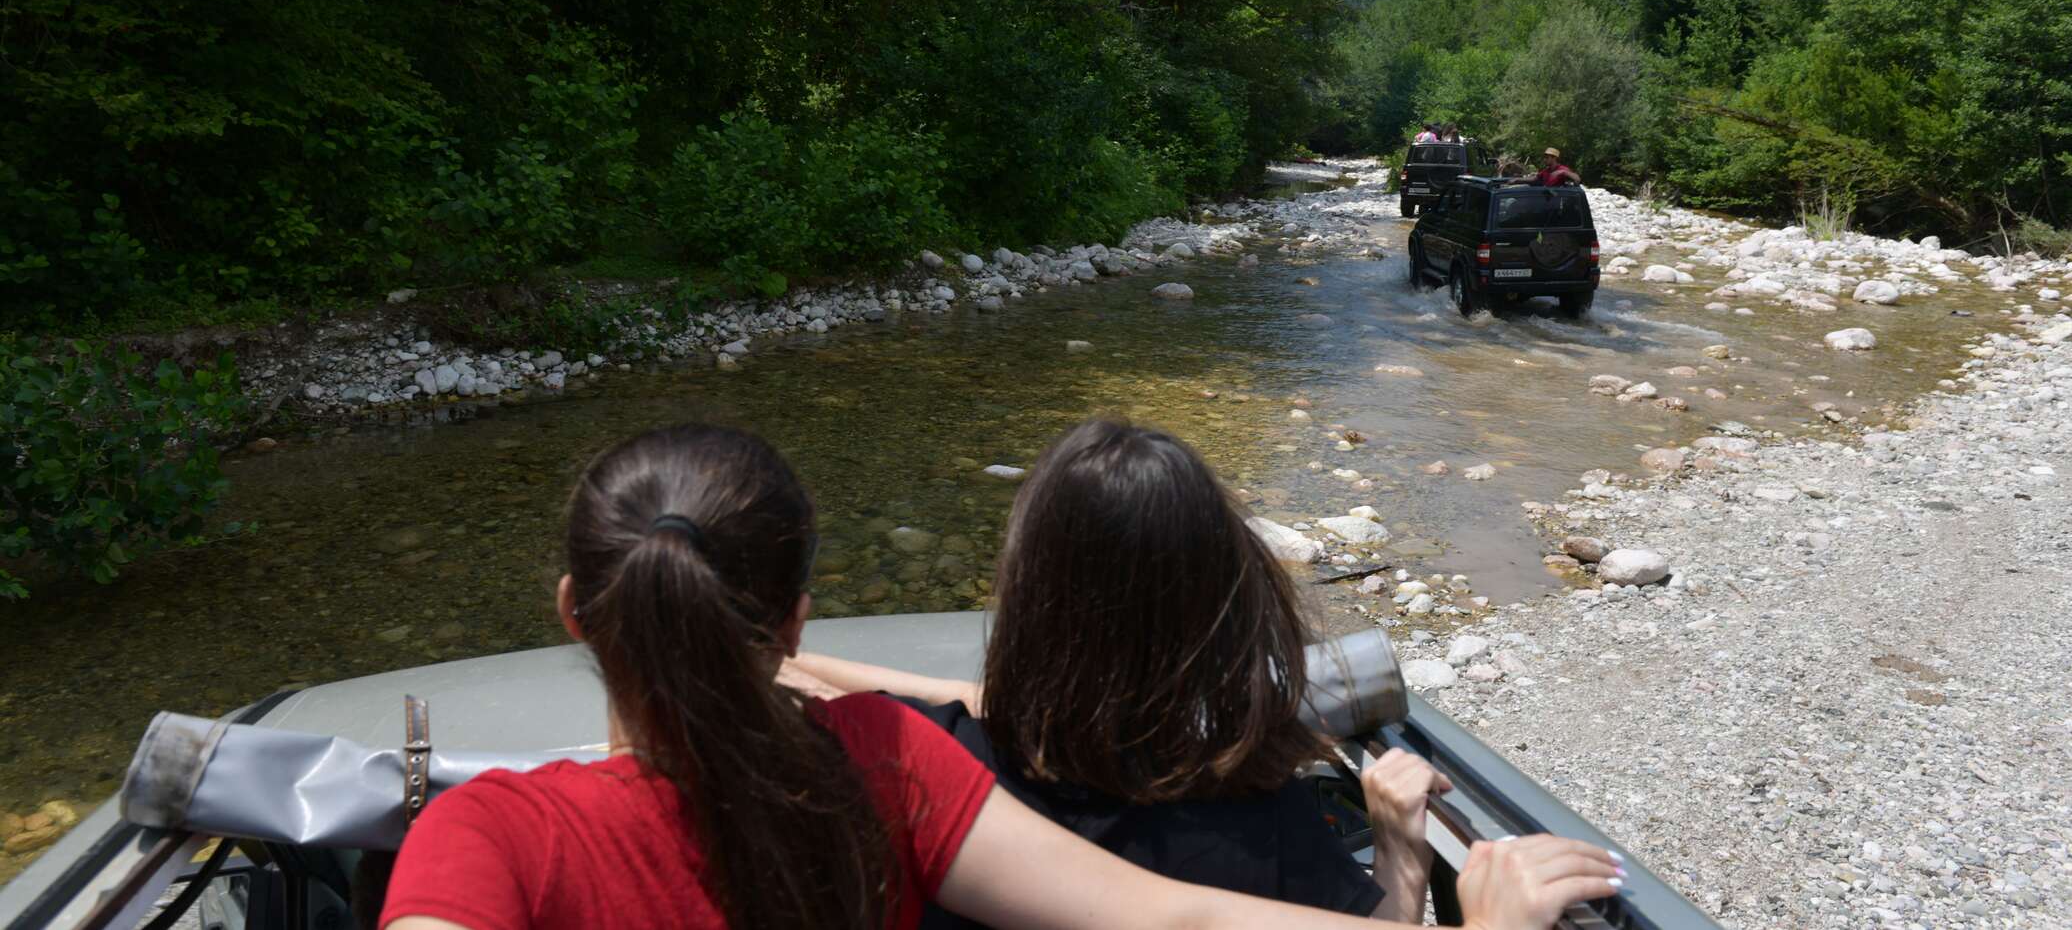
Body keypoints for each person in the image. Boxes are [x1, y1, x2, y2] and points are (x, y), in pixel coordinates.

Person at [381, 424, 1621, 930]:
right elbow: (1176, 918)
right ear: (794, 616)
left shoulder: (477, 837)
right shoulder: (885, 762)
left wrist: (759, 656)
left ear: (571, 617)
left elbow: (986, 714)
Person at [784, 422, 1456, 925]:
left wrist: (785, 654)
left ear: (1029, 597)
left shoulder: (940, 769)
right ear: (1223, 600)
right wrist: (1399, 850)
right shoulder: (1266, 824)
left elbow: (954, 703)